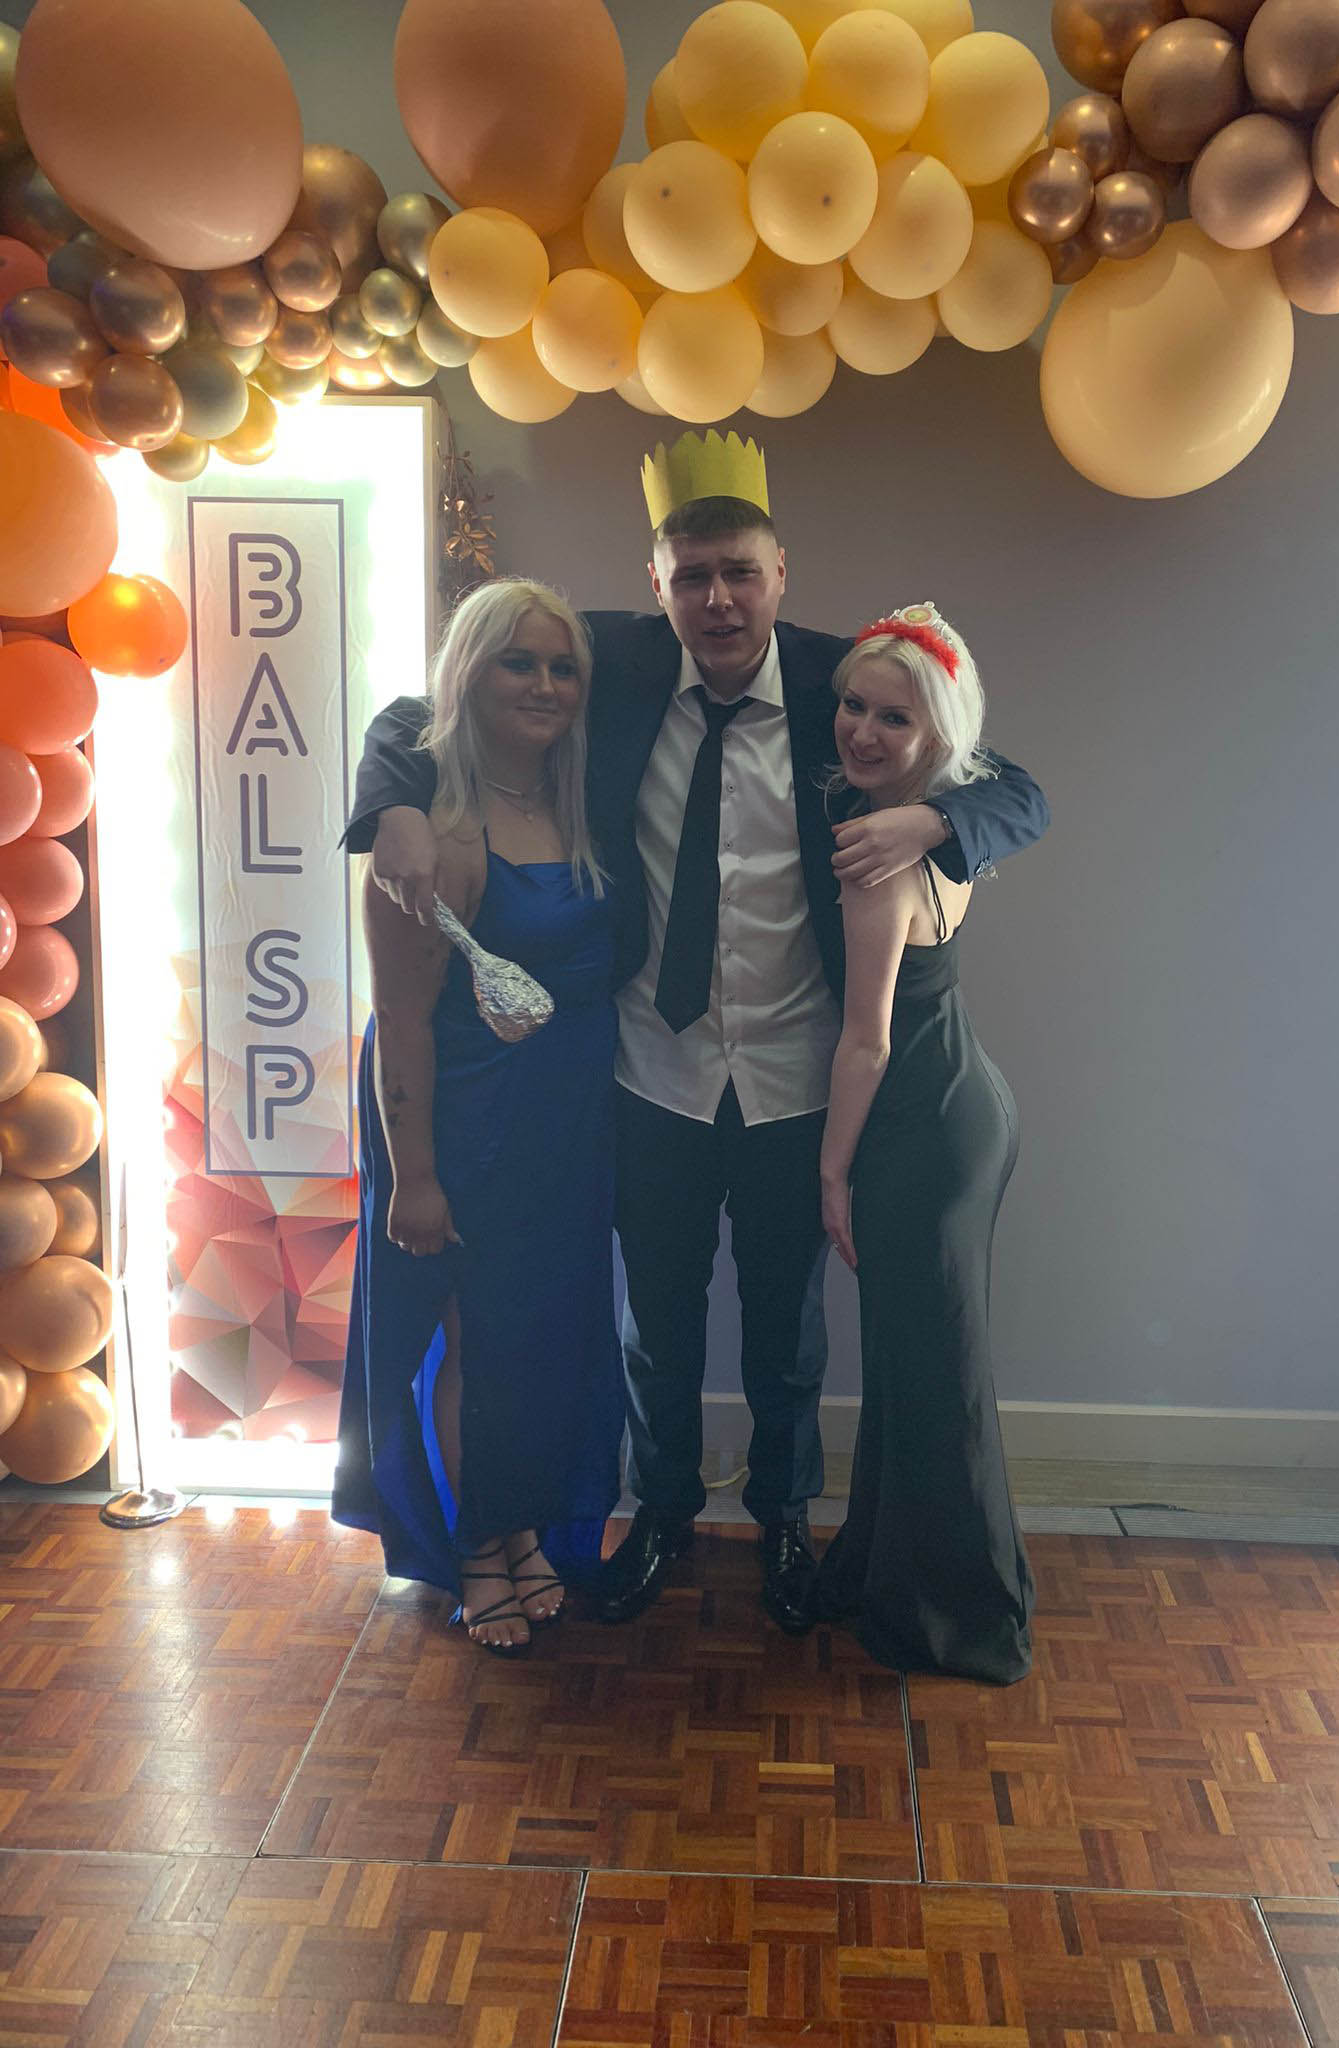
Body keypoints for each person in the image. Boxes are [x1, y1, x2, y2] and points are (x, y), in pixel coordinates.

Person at [347, 431, 1048, 1636]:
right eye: (692, 576)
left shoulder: (840, 686)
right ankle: (663, 1515)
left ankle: (782, 1519)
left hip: (793, 1072)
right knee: (655, 1324)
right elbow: (432, 703)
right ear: (658, 583)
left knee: (786, 1331)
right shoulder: (611, 666)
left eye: (739, 573)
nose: (717, 599)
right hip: (648, 1069)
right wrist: (391, 806)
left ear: (780, 575)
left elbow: (1017, 788)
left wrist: (933, 820)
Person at [332, 578, 625, 1656]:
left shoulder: (578, 796)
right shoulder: (433, 834)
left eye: (562, 666)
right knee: (476, 1337)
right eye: (519, 662)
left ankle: (522, 1524)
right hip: (464, 1121)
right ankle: (478, 1547)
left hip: (568, 1120)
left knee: (541, 1337)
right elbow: (402, 1023)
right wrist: (414, 1177)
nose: (545, 684)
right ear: (469, 670)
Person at [814, 604, 1033, 1684]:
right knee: (916, 1368)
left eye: (892, 718)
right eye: (852, 706)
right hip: (965, 1107)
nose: (861, 730)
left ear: (936, 733)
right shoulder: (929, 829)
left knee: (940, 1382)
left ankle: (964, 1616)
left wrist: (830, 1170)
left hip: (920, 1130)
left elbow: (865, 1042)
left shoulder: (881, 856)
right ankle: (881, 1571)